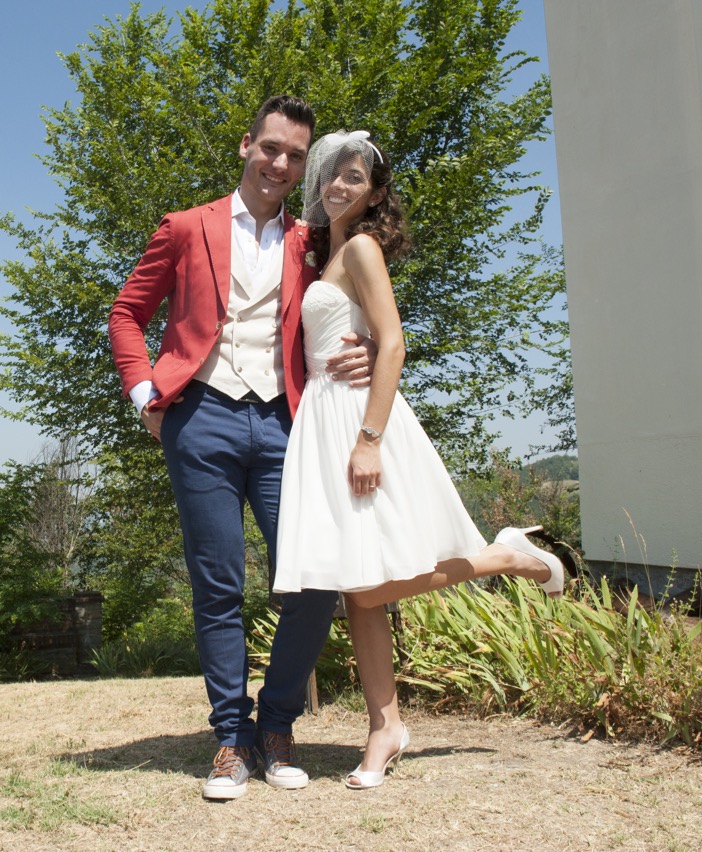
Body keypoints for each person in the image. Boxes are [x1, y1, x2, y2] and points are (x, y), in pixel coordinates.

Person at [272, 130, 565, 791]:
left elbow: (395, 342)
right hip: (323, 419)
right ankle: (386, 728)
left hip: (358, 420)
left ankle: (508, 556)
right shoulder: (326, 252)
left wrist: (369, 439)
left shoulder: (362, 249)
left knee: (368, 587)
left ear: (375, 194)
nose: (338, 184)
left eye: (354, 177)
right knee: (358, 587)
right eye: (333, 173)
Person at [108, 96, 374, 800]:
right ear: (246, 146)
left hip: (287, 423)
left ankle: (277, 726)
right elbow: (127, 312)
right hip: (200, 418)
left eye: (295, 156)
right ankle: (231, 737)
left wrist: (370, 353)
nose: (281, 164)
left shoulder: (311, 241)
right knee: (218, 582)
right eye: (271, 148)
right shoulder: (185, 226)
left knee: (314, 576)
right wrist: (145, 396)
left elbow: (354, 307)